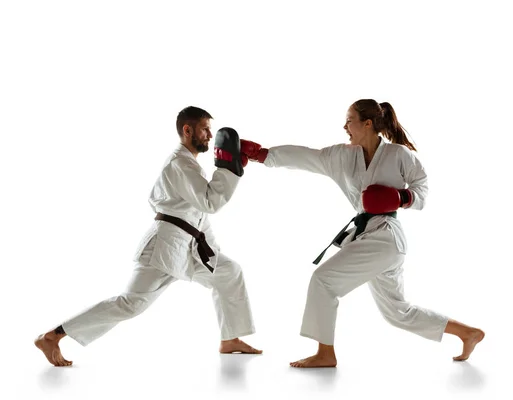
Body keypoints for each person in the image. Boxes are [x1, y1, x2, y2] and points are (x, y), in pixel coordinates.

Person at [240, 99, 484, 368]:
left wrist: (401, 197)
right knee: (397, 312)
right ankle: (468, 333)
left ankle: (325, 354)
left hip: (387, 236)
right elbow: (308, 157)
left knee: (324, 281)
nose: (345, 126)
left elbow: (422, 190)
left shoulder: (398, 154)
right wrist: (262, 155)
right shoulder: (343, 156)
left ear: (367, 123)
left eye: (349, 120)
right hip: (370, 237)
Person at [35, 106, 262, 367]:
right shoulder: (180, 164)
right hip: (165, 247)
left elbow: (198, 216)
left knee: (229, 272)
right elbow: (210, 202)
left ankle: (230, 338)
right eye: (204, 129)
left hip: (189, 246)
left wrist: (211, 249)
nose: (210, 136)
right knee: (131, 304)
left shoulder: (189, 164)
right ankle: (53, 336)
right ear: (187, 130)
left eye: (211, 130)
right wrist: (228, 168)